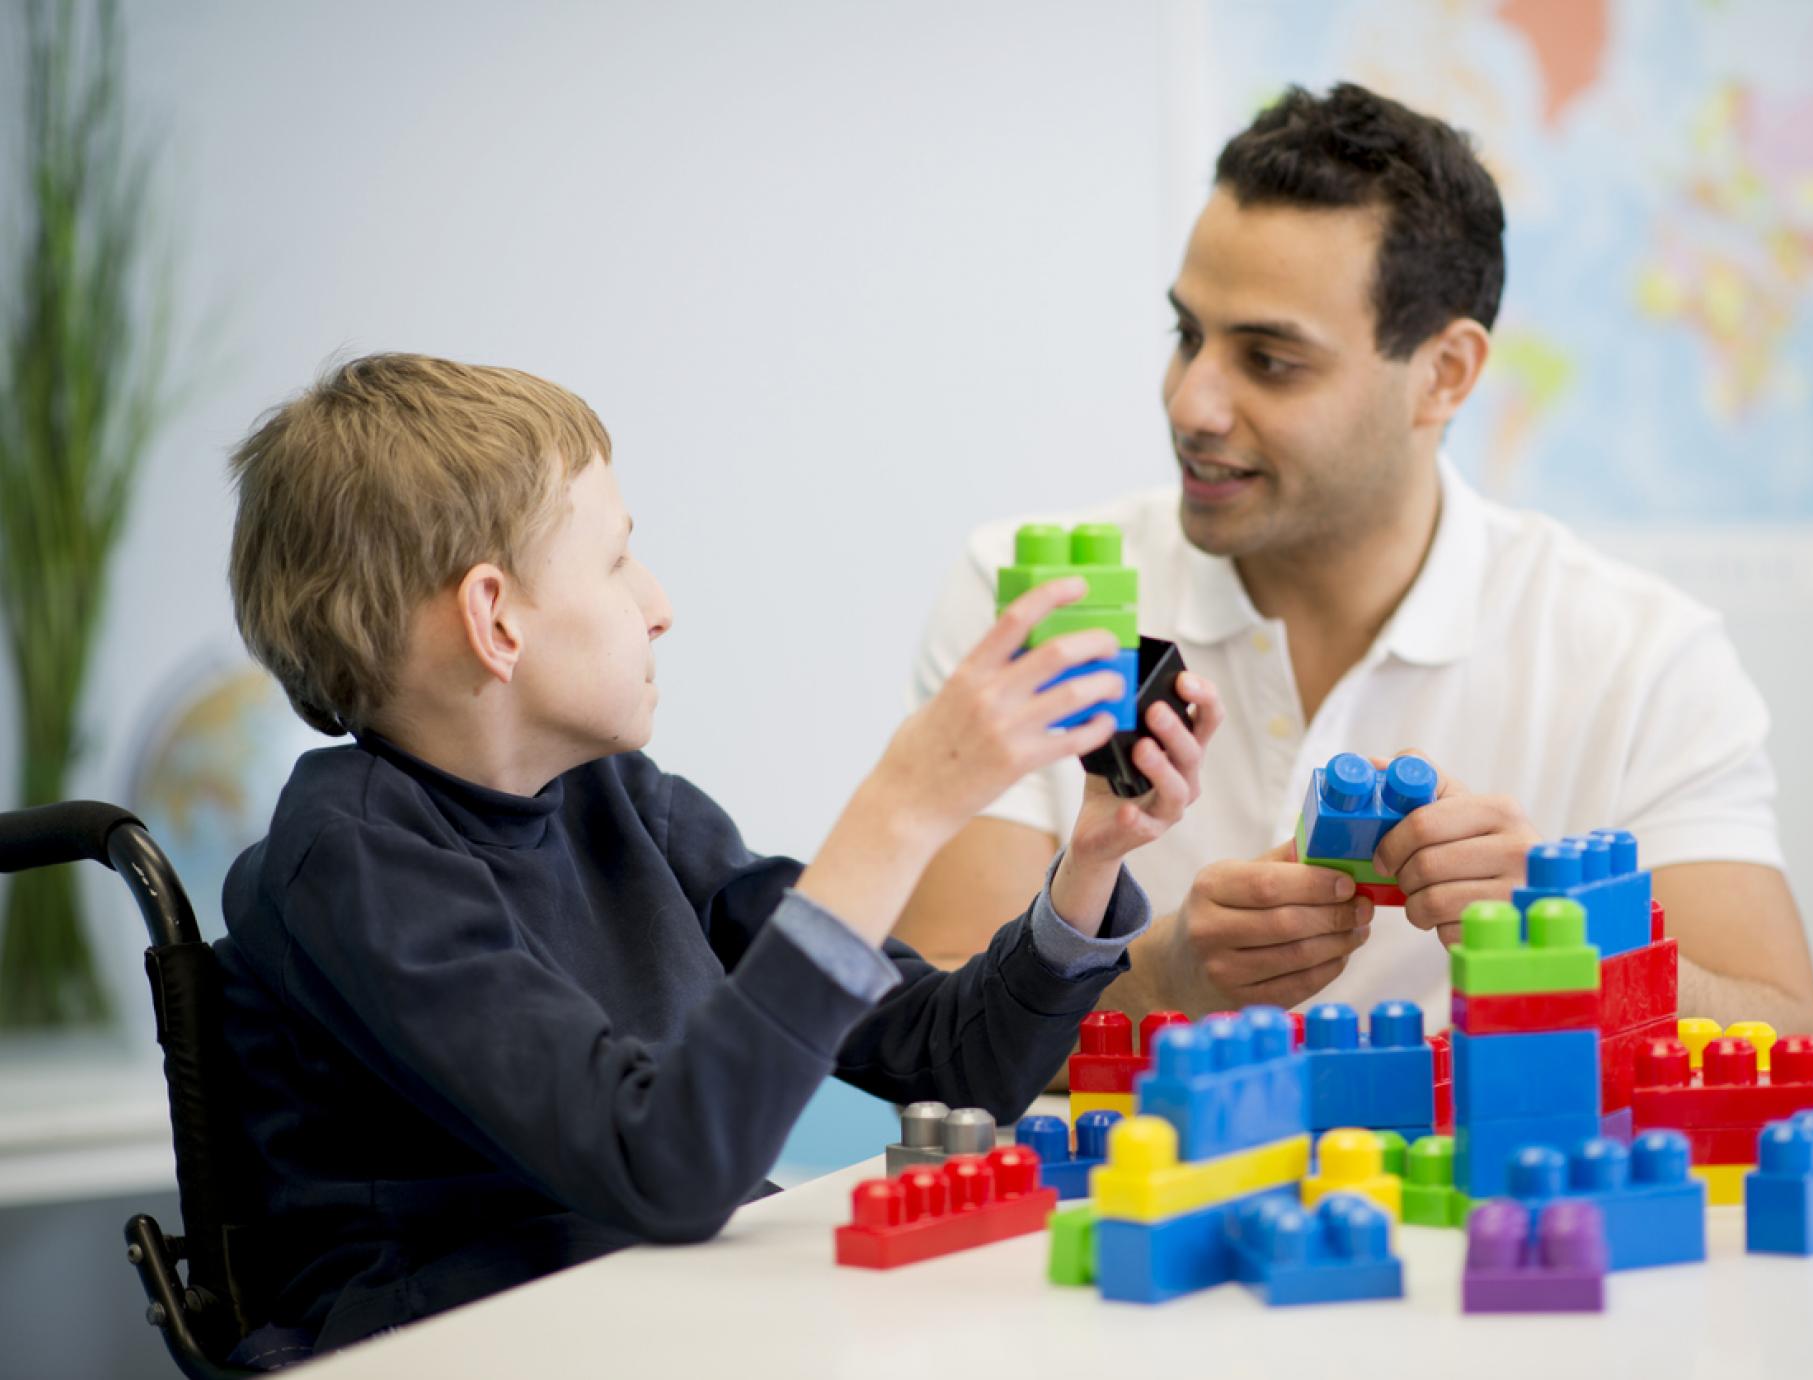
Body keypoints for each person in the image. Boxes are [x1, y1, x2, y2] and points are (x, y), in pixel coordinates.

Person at [211, 353, 1221, 1354]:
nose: (657, 604)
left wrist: (1088, 867)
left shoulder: (622, 805)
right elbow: (661, 1166)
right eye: (614, 561)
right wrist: (900, 809)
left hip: (659, 1315)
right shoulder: (349, 865)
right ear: (494, 619)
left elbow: (944, 1072)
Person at [895, 83, 1813, 1047]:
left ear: (1446, 374)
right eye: (1187, 336)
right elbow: (933, 1041)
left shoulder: (1641, 655)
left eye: (1269, 360)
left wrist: (1571, 937)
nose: (1191, 405)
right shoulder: (1031, 595)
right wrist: (1166, 976)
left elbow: (1789, 1034)